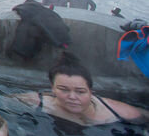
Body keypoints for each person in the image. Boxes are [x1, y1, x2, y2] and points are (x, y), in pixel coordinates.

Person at [16, 51, 148, 125]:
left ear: (91, 91)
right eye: (63, 89)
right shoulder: (34, 102)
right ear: (53, 88)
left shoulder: (118, 112)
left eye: (80, 91)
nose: (72, 97)